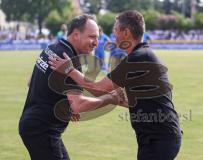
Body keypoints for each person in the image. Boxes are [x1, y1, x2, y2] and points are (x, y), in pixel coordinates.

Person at [48, 10, 182, 160]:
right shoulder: (142, 55)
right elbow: (135, 99)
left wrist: (69, 70)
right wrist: (114, 98)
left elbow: (99, 87)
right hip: (159, 138)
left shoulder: (138, 58)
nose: (113, 35)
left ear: (126, 33)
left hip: (160, 140)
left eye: (115, 30)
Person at [19, 14, 124, 160]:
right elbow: (78, 105)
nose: (96, 43)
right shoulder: (69, 60)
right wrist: (110, 99)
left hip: (35, 126)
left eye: (97, 37)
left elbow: (31, 81)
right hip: (42, 130)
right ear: (76, 34)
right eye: (92, 37)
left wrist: (66, 103)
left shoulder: (53, 47)